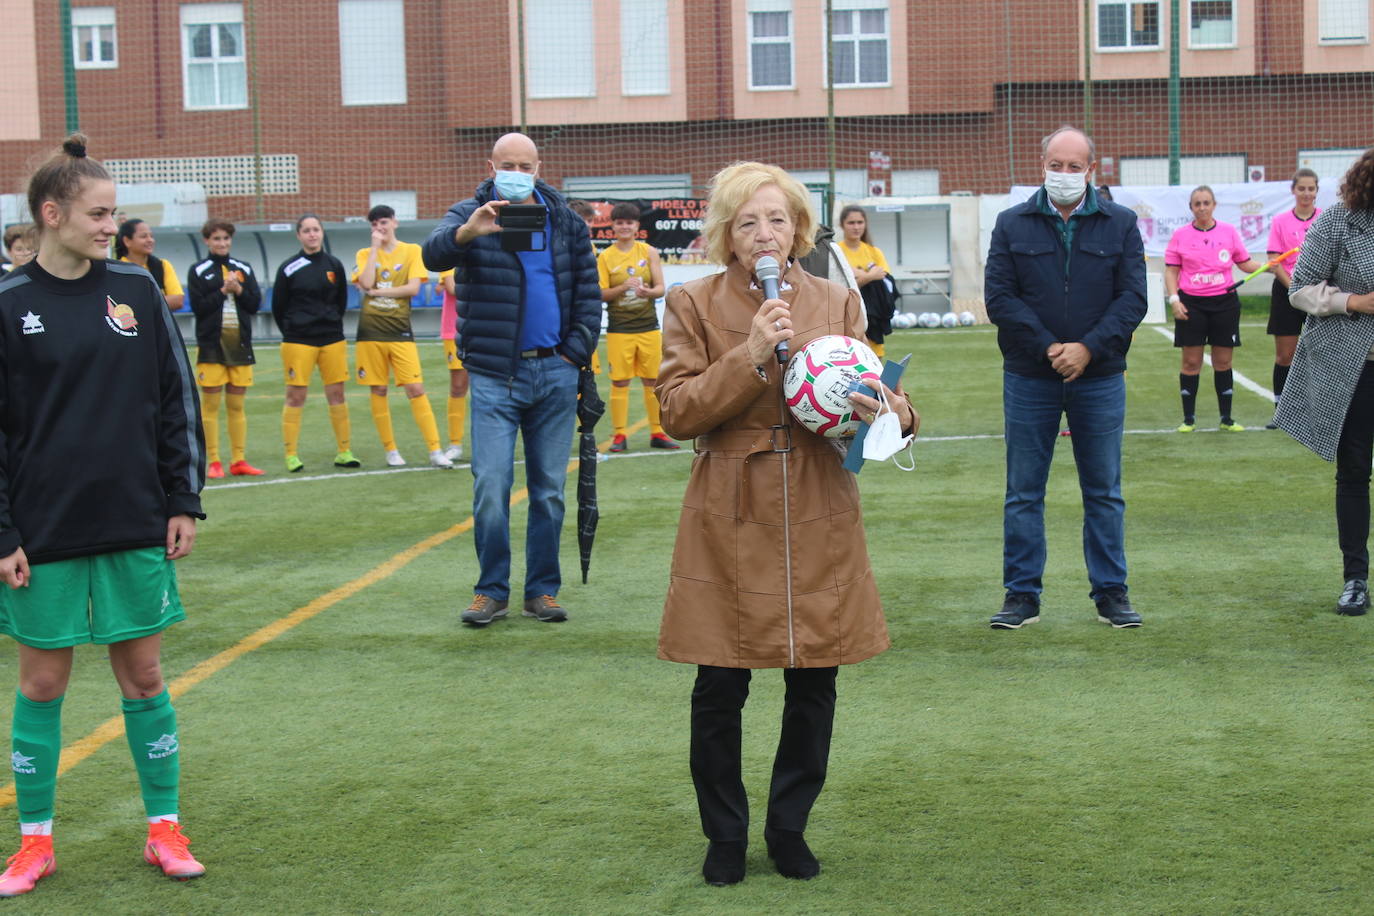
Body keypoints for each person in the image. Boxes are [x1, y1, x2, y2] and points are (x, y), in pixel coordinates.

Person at [655, 161, 917, 886]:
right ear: (726, 236)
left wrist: (896, 413)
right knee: (719, 685)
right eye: (746, 222)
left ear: (799, 228)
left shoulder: (837, 300)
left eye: (776, 219)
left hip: (818, 500)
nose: (764, 234)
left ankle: (789, 827)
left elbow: (876, 397)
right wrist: (746, 356)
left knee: (814, 680)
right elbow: (676, 412)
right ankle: (725, 836)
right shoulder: (694, 304)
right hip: (729, 506)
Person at [0, 134, 206, 897]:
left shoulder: (138, 291)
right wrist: (2, 534)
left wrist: (182, 498)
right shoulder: (8, 304)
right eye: (97, 212)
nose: (109, 226)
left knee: (146, 676)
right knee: (44, 685)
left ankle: (164, 828)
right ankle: (35, 843)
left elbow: (172, 403)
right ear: (51, 214)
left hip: (133, 517)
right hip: (43, 529)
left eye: (115, 213)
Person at [422, 132, 600, 627]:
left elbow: (587, 291)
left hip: (556, 372)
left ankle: (541, 590)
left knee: (548, 490)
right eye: (508, 164)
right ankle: (491, 590)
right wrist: (469, 233)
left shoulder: (566, 220)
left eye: (526, 164)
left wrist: (573, 353)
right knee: (491, 483)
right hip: (495, 373)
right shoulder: (468, 212)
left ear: (539, 167)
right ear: (491, 164)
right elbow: (432, 257)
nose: (517, 172)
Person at [984, 126, 1147, 630]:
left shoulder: (1121, 224)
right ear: (1042, 165)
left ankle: (1111, 593)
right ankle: (1022, 596)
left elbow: (1133, 299)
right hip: (1029, 375)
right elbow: (1000, 298)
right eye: (1057, 164)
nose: (1065, 174)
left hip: (1099, 378)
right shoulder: (1011, 223)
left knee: (1103, 490)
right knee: (1023, 492)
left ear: (1092, 171)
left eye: (1075, 167)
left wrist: (1088, 348)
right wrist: (1049, 347)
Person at [1274, 148, 1374, 615]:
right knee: (1354, 470)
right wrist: (1354, 302)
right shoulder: (1338, 221)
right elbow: (1300, 287)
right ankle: (1355, 577)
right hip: (1354, 366)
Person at [352, 205, 451, 469]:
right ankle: (391, 450)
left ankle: (435, 450)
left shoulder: (412, 251)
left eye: (383, 222)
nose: (380, 228)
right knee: (378, 388)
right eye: (374, 225)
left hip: (400, 332)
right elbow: (365, 282)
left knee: (416, 388)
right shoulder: (364, 254)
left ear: (394, 222)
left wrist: (377, 292)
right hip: (370, 333)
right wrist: (374, 249)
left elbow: (413, 288)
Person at [1164, 186, 1267, 432]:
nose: (1202, 207)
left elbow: (1244, 263)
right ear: (1191, 207)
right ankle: (1188, 419)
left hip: (1224, 304)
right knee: (1191, 362)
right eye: (1197, 203)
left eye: (1206, 203)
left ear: (1214, 205)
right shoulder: (1180, 235)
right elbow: (1171, 271)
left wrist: (1268, 266)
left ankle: (1226, 419)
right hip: (1192, 304)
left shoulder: (1229, 232)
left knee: (1223, 362)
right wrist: (1174, 300)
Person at [272, 213, 359, 472]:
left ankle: (344, 451)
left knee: (337, 394)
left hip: (332, 339)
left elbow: (341, 301)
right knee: (295, 395)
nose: (312, 234)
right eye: (306, 230)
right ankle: (291, 454)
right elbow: (279, 306)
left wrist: (330, 322)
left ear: (322, 233)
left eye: (316, 230)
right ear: (299, 235)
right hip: (299, 341)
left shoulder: (334, 265)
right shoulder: (289, 268)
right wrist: (293, 329)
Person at [597, 202, 677, 452]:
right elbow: (599, 294)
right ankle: (619, 435)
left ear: (636, 226)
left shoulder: (648, 252)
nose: (624, 227)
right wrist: (623, 288)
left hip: (648, 328)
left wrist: (646, 291)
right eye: (620, 223)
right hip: (620, 329)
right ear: (613, 227)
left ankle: (657, 432)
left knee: (653, 380)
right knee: (620, 382)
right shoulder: (606, 256)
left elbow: (661, 288)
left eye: (629, 223)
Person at [186, 218, 264, 478]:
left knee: (236, 405)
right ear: (207, 241)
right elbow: (198, 307)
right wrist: (222, 290)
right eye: (217, 238)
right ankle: (214, 461)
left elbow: (254, 305)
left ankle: (239, 459)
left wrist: (239, 289)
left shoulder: (244, 268)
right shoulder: (198, 270)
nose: (222, 243)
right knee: (210, 405)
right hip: (211, 346)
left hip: (239, 346)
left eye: (226, 238)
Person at [1265, 169, 1321, 427]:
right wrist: (1294, 289)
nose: (1306, 194)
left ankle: (1318, 410)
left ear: (1316, 191)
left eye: (1311, 189)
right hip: (1287, 292)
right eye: (1302, 189)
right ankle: (1281, 411)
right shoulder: (1280, 221)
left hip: (1320, 295)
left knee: (1319, 354)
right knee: (1285, 355)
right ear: (1293, 191)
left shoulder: (1325, 219)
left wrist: (1314, 293)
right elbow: (1274, 262)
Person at [837, 204, 895, 358]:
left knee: (875, 362)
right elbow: (841, 287)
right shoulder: (836, 251)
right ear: (841, 225)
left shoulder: (874, 252)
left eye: (860, 222)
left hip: (872, 317)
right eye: (851, 223)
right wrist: (869, 276)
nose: (856, 227)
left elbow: (884, 279)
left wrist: (856, 274)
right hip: (846, 317)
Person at [115, 218, 184, 310]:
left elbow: (177, 300)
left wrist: (138, 304)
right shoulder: (117, 269)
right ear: (127, 241)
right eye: (143, 236)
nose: (150, 240)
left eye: (151, 236)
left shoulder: (162, 265)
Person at [437, 268, 467, 462]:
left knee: (490, 385)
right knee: (458, 387)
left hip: (485, 326)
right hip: (455, 329)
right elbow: (453, 288)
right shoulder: (452, 255)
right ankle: (455, 443)